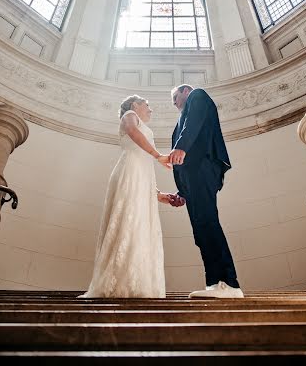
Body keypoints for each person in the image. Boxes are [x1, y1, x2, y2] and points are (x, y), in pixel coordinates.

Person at [78, 95, 172, 298]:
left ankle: (136, 283)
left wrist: (157, 194)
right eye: (147, 105)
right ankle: (116, 281)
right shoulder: (130, 115)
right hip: (129, 171)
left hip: (141, 177)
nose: (151, 110)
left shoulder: (139, 121)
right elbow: (132, 132)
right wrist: (158, 155)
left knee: (138, 224)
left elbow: (144, 168)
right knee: (127, 220)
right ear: (134, 105)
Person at [167, 85, 244, 299]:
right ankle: (213, 283)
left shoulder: (197, 95)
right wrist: (182, 191)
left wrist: (181, 145)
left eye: (175, 97)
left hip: (203, 166)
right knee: (200, 231)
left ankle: (229, 283)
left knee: (208, 222)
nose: (173, 102)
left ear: (185, 91)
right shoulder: (180, 119)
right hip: (191, 178)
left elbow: (194, 123)